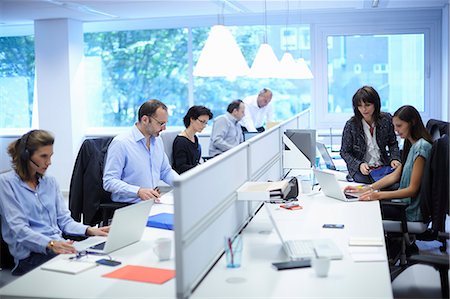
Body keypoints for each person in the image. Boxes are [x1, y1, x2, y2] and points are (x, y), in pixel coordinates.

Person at [0, 130, 109, 276]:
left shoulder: (50, 183)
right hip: (29, 256)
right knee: (87, 272)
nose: (49, 162)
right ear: (26, 156)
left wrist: (90, 230)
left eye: (50, 156)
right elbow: (19, 230)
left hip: (58, 246)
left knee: (102, 261)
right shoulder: (6, 183)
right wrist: (51, 244)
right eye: (43, 156)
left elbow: (64, 221)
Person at [345, 105, 433, 222]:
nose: (396, 130)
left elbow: (412, 190)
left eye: (399, 126)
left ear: (412, 122)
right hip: (402, 204)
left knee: (363, 210)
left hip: (409, 211)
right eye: (395, 126)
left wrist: (378, 195)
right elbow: (395, 176)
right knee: (362, 204)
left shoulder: (421, 148)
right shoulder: (410, 145)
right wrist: (367, 188)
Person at [103, 99, 178, 203]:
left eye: (165, 123)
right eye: (161, 123)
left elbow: (165, 171)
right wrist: (138, 191)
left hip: (152, 202)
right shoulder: (121, 143)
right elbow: (109, 181)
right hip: (129, 206)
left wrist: (182, 184)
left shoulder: (157, 141)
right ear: (145, 119)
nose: (164, 128)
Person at [340, 86, 401, 184]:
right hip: (362, 171)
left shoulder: (386, 119)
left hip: (383, 166)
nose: (364, 109)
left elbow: (392, 143)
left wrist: (394, 158)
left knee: (396, 179)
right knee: (371, 182)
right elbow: (344, 152)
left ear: (375, 104)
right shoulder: (351, 125)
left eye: (367, 105)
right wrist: (359, 165)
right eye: (360, 106)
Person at [172, 105, 213, 174]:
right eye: (202, 122)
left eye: (206, 123)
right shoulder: (181, 141)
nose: (204, 126)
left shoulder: (195, 138)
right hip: (187, 179)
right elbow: (181, 167)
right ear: (192, 119)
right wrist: (200, 168)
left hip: (195, 175)